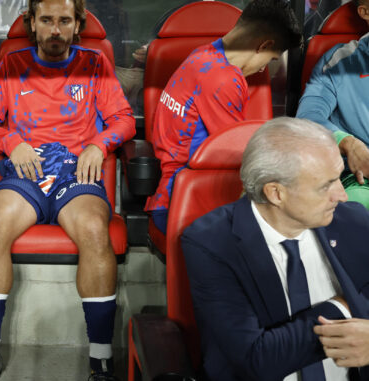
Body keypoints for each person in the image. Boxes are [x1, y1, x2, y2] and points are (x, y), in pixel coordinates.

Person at [0, 0, 135, 379]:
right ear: (32, 24)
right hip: (25, 171)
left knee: (95, 229)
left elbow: (124, 120)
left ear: (77, 25)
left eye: (64, 21)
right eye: (46, 21)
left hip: (75, 172)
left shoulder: (95, 64)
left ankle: (101, 359)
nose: (55, 30)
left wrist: (99, 143)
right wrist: (10, 140)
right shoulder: (12, 64)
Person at [182, 117, 369, 381]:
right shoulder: (211, 244)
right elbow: (256, 360)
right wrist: (343, 308)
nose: (342, 195)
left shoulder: (353, 221)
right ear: (275, 193)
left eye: (339, 178)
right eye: (326, 185)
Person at [145, 0, 303, 234]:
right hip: (191, 204)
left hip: (171, 196)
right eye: (270, 59)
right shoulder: (222, 78)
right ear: (263, 45)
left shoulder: (201, 54)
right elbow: (242, 160)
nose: (263, 70)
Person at [296, 0, 369, 210]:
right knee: (357, 209)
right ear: (365, 13)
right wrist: (347, 142)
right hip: (358, 178)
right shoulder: (339, 61)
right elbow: (307, 117)